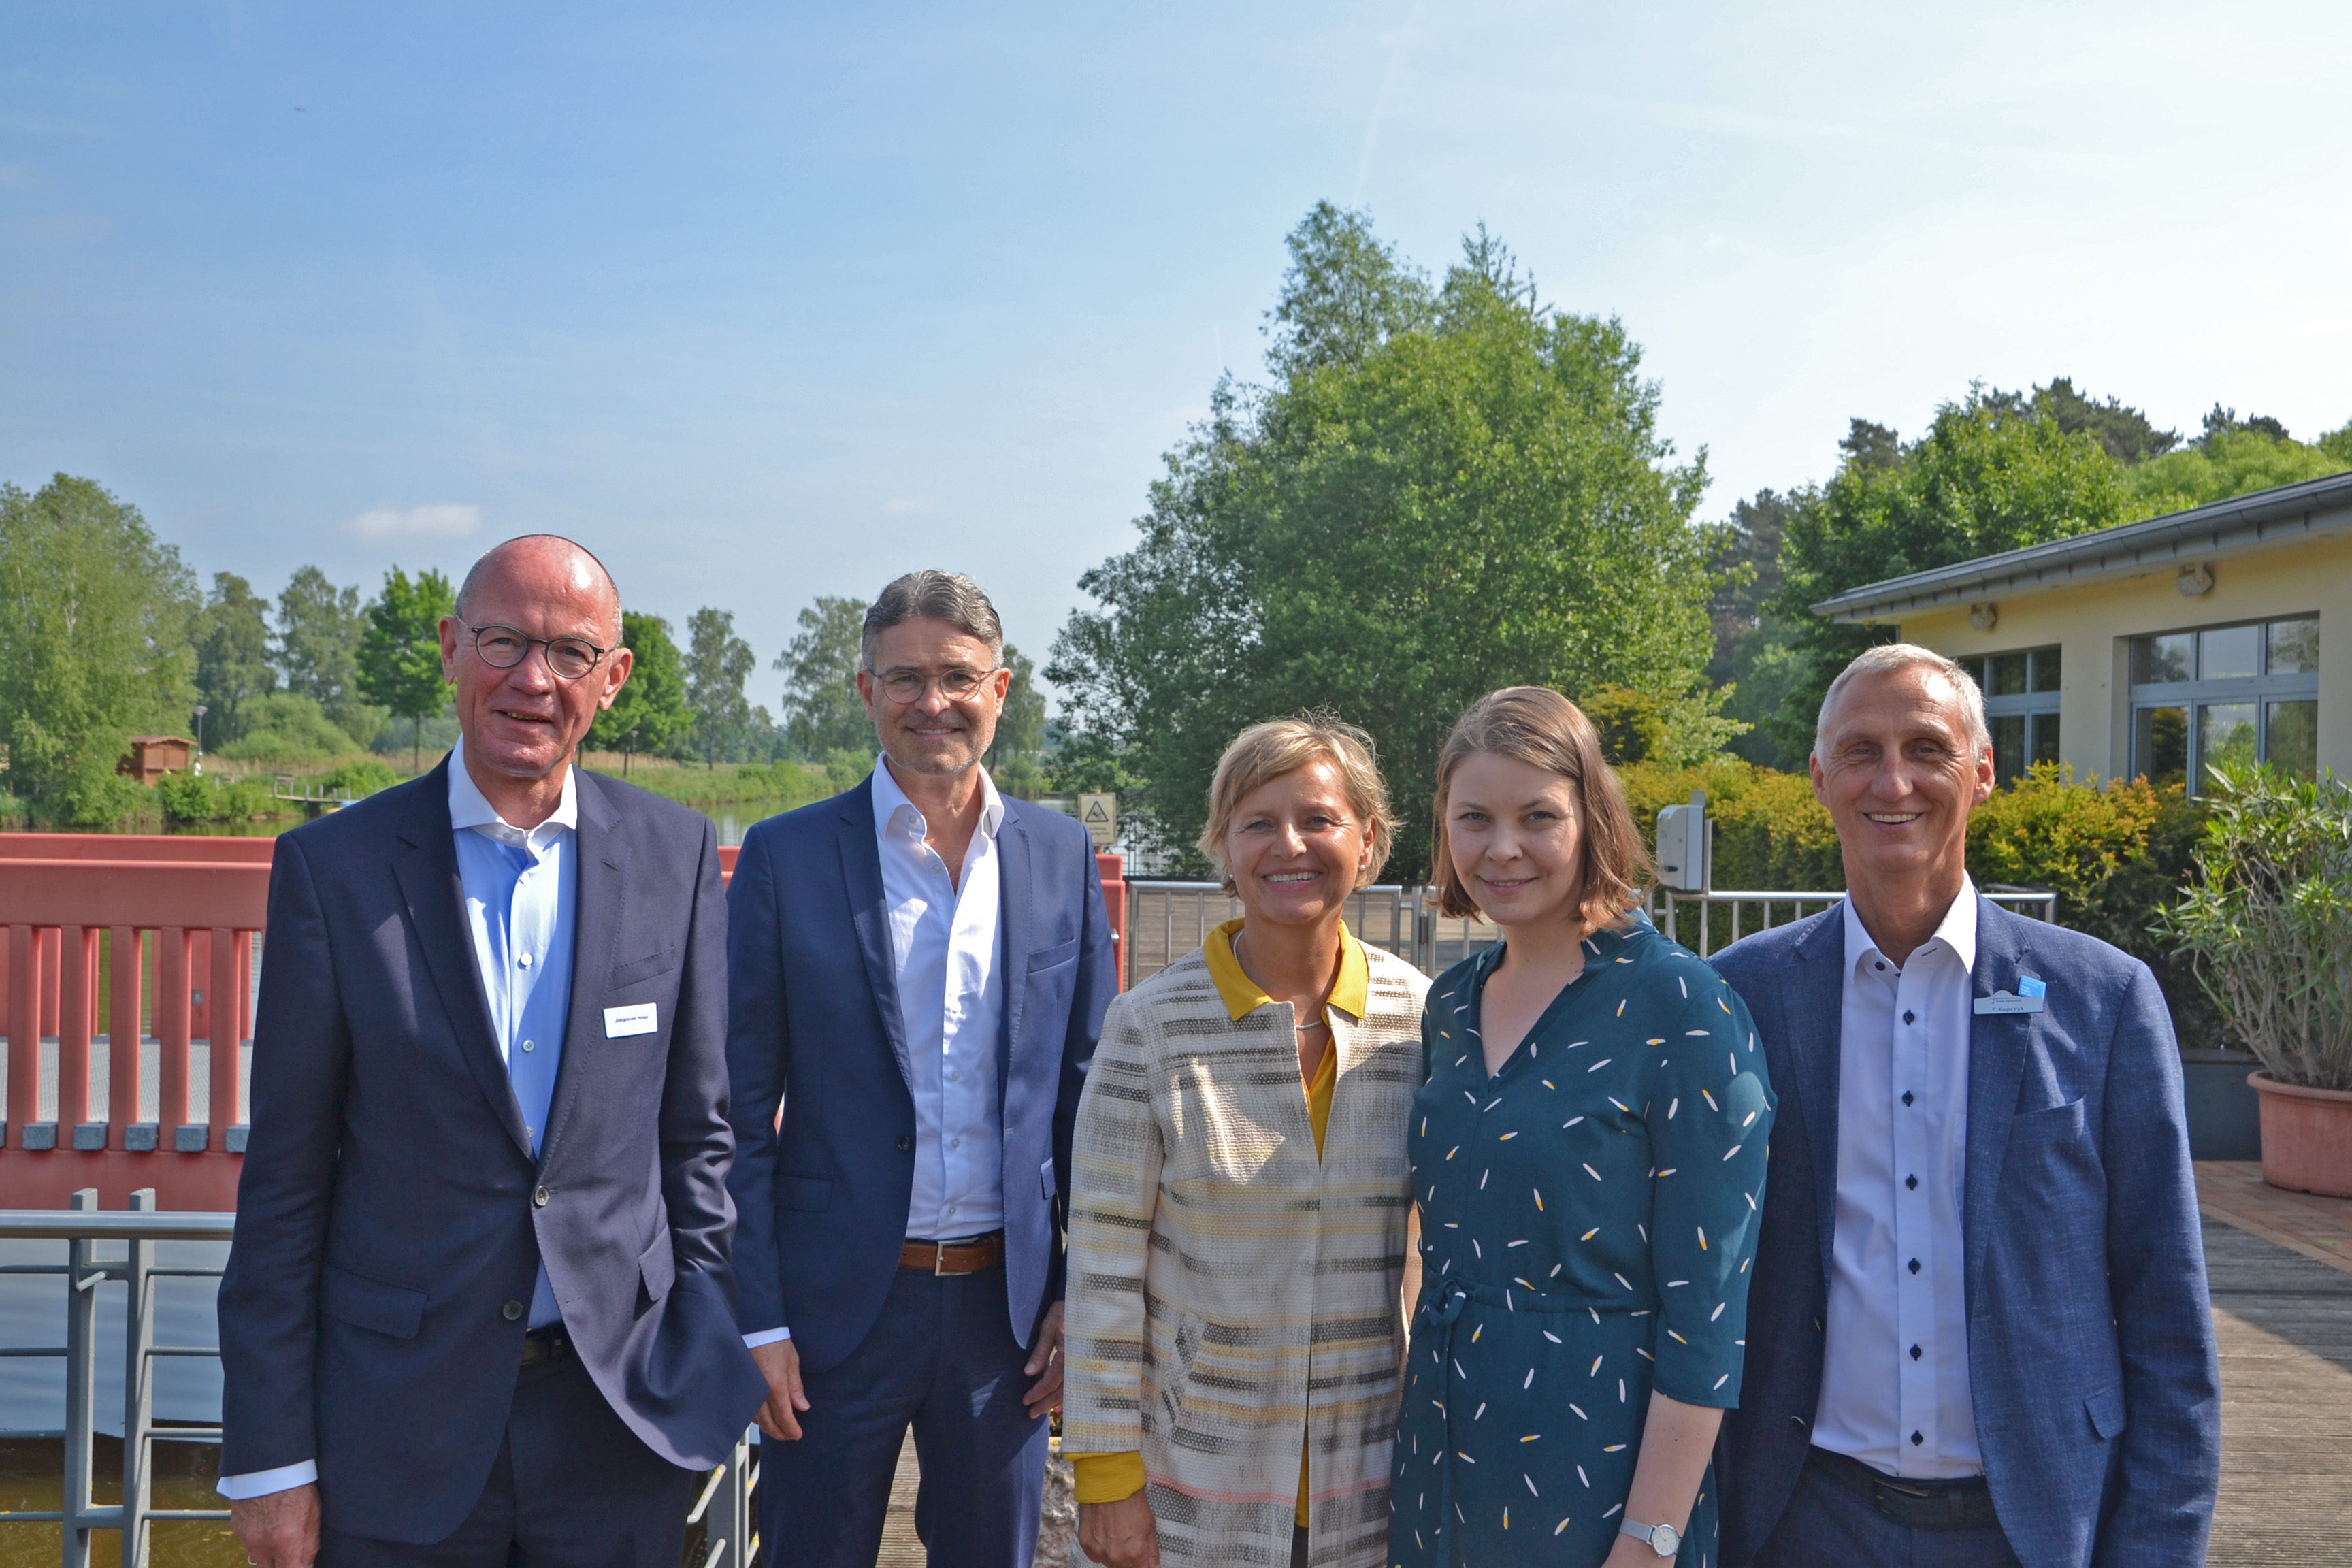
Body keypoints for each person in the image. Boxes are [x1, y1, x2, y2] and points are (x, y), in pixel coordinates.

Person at [216, 536, 767, 1568]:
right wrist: (270, 1458)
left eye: (569, 653)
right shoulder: (335, 871)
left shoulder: (675, 854)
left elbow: (701, 1141)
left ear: (613, 678)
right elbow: (286, 1183)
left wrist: (706, 1348)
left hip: (621, 1424)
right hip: (396, 1433)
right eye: (503, 641)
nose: (532, 680)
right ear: (449, 649)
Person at [1710, 644, 2221, 1567]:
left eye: (1927, 748)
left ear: (1982, 774)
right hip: (1800, 1519)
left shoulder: (2102, 1001)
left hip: (2039, 1521)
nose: (1893, 779)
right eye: (1861, 751)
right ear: (1820, 780)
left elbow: (2167, 1314)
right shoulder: (1740, 997)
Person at [724, 570, 1115, 1568]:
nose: (931, 703)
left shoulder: (1060, 855)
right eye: (904, 678)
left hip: (1008, 1314)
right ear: (866, 693)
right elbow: (731, 1108)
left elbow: (1089, 1099)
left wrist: (1082, 1292)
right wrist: (756, 1314)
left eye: (956, 677)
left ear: (1001, 689)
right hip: (831, 1313)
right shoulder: (787, 856)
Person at [1390, 686, 1773, 1568]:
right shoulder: (1451, 1003)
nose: (1504, 847)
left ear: (1591, 819)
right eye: (1474, 817)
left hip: (1600, 1471)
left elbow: (1706, 1316)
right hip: (1445, 1458)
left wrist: (1650, 1538)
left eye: (1538, 816)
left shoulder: (1680, 1005)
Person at [1063, 715, 1431, 1568]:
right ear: (1222, 849)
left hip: (1374, 1480)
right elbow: (1102, 1269)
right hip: (1189, 1478)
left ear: (1369, 841)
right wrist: (1107, 1475)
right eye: (1257, 823)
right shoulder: (1149, 1026)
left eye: (1319, 819)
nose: (1288, 845)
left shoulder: (1421, 1020)